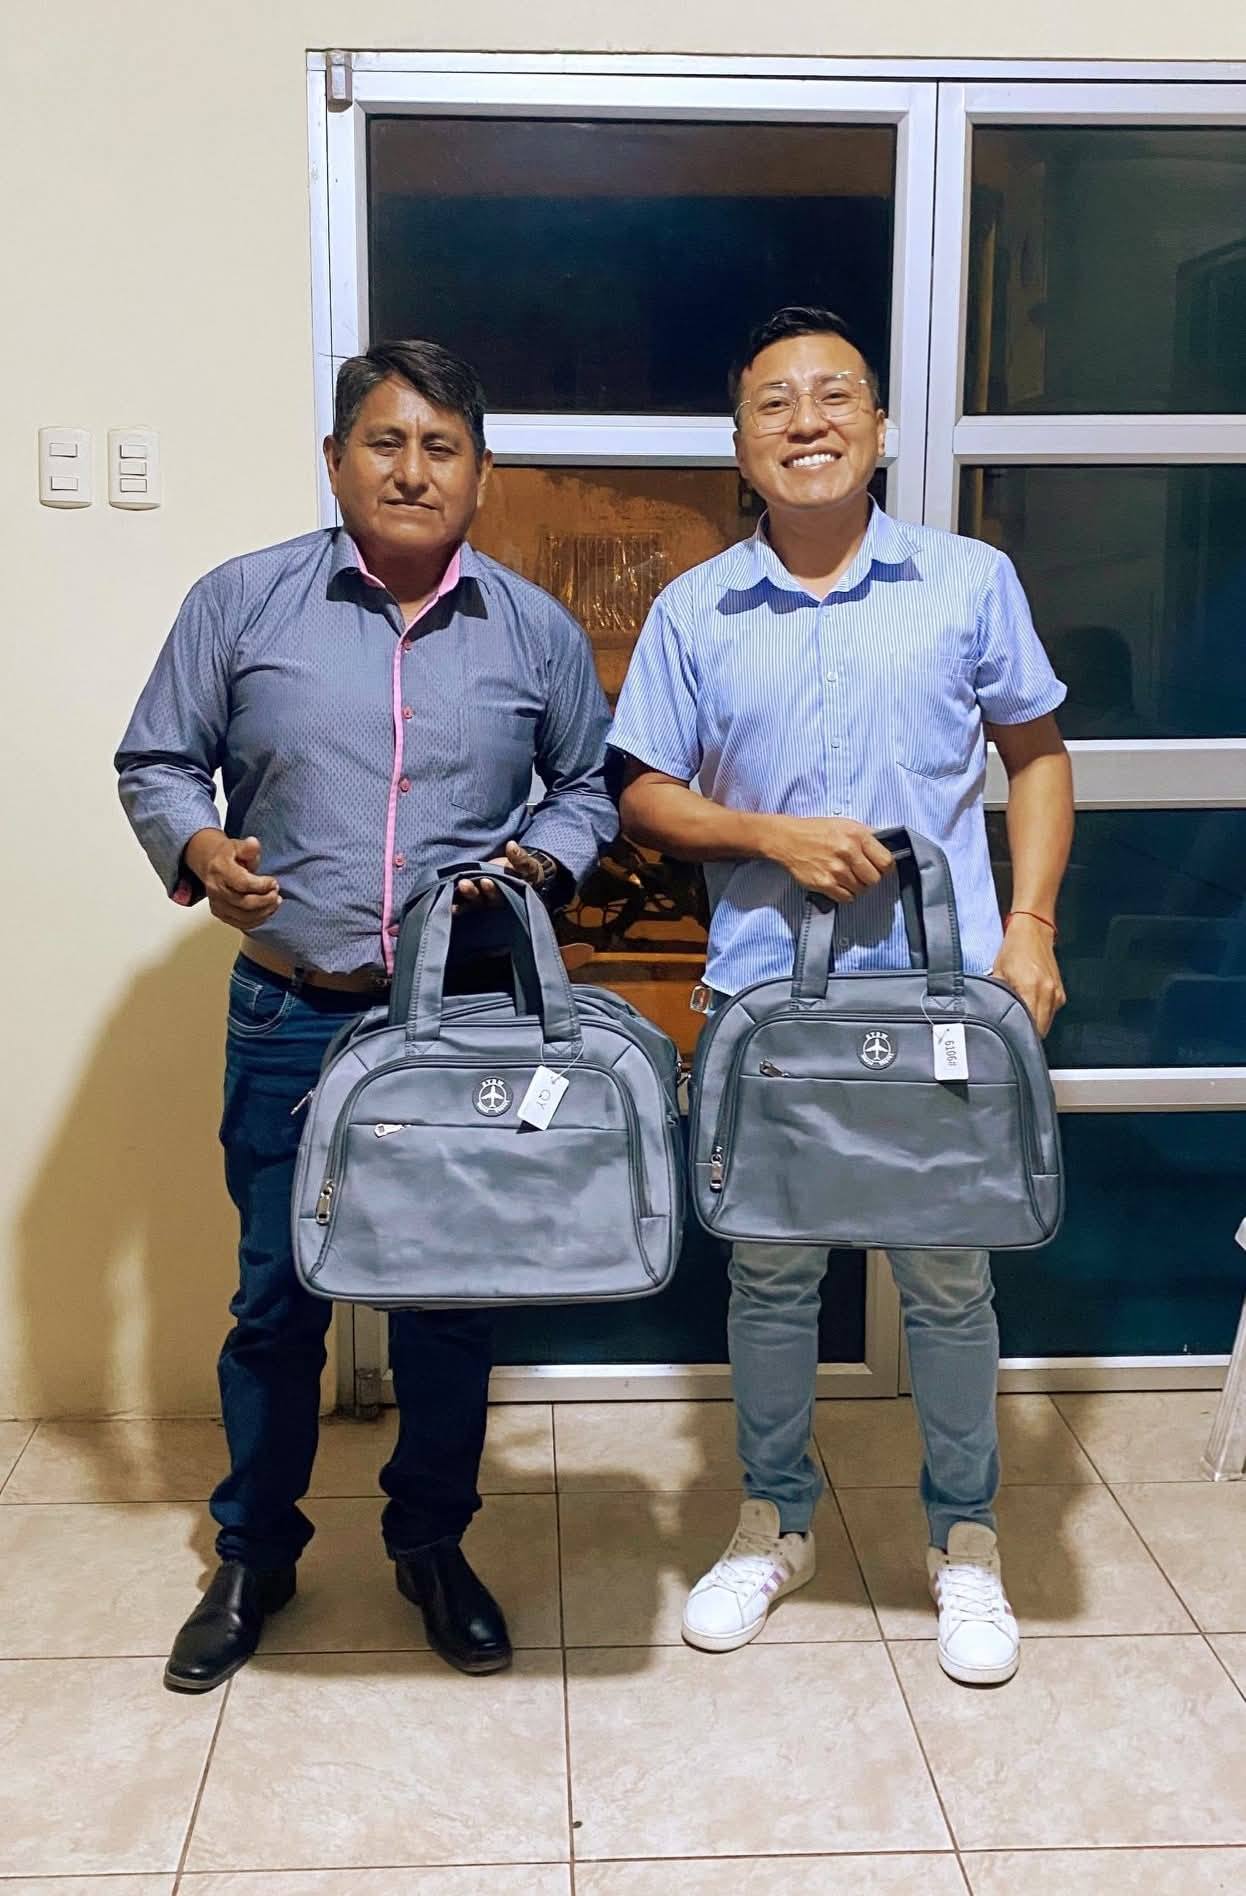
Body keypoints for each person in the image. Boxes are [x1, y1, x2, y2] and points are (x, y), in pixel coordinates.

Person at [116, 339, 616, 1691]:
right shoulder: (241, 603)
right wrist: (197, 847)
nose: (411, 470)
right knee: (277, 1302)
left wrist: (541, 859)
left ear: (480, 473)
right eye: (385, 442)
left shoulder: (534, 630)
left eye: (440, 447)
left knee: (449, 1301)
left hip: (457, 1029)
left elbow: (587, 785)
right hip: (293, 1012)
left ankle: (431, 1546)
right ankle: (255, 1555)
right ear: (335, 461)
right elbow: (157, 757)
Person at [609, 305, 1073, 1686]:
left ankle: (964, 1539)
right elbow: (641, 792)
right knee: (770, 1275)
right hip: (770, 1000)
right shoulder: (696, 609)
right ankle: (775, 1523)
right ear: (739, 442)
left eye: (832, 397)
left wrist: (1032, 925)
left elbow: (1036, 757)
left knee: (947, 1277)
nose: (804, 422)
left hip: (938, 999)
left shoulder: (967, 581)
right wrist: (769, 835)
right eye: (774, 403)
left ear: (878, 426)